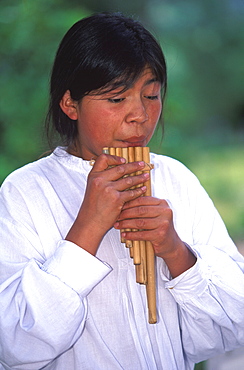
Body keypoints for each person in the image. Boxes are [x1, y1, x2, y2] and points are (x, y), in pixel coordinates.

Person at [0, 12, 243, 370]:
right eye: (116, 99)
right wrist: (86, 230)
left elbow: (231, 327)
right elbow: (13, 345)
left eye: (151, 95)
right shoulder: (24, 192)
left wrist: (177, 253)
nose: (140, 116)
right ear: (70, 104)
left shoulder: (175, 179)